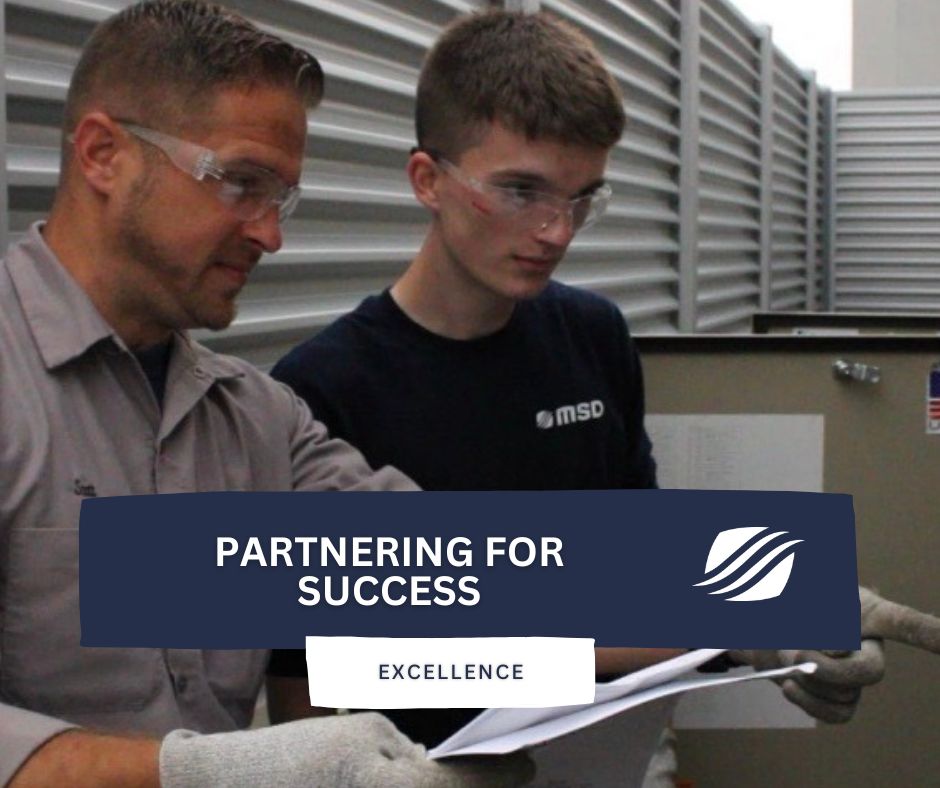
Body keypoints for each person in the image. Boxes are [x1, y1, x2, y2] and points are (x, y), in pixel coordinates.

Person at [266, 7, 886, 783]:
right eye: (521, 191)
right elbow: (305, 684)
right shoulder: (322, 391)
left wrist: (770, 616)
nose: (556, 231)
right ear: (427, 179)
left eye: (582, 198)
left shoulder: (593, 337)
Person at [0, 2, 533, 786]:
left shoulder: (255, 421)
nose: (270, 235)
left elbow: (469, 574)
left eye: (280, 197)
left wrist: (713, 598)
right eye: (241, 182)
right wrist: (202, 772)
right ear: (104, 155)